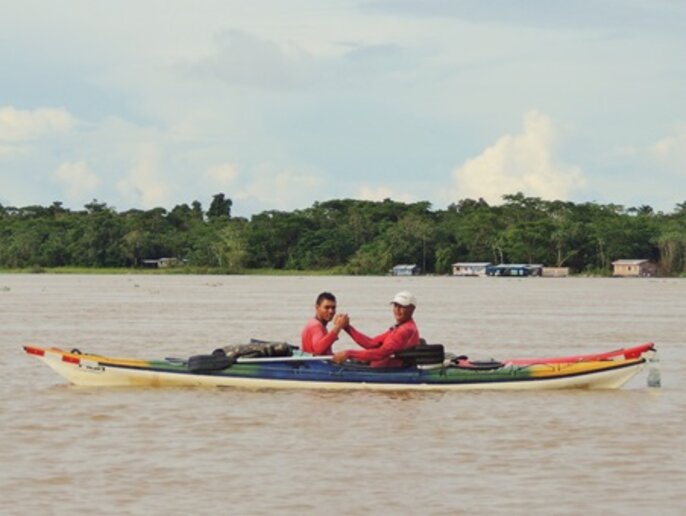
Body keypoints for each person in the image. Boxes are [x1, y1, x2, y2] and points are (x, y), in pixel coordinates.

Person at [332, 291, 420, 368]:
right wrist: (346, 327)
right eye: (395, 305)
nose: (397, 310)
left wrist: (349, 354)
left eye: (402, 306)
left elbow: (381, 354)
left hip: (388, 372)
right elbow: (371, 343)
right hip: (379, 368)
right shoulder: (398, 327)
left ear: (412, 309)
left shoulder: (405, 330)